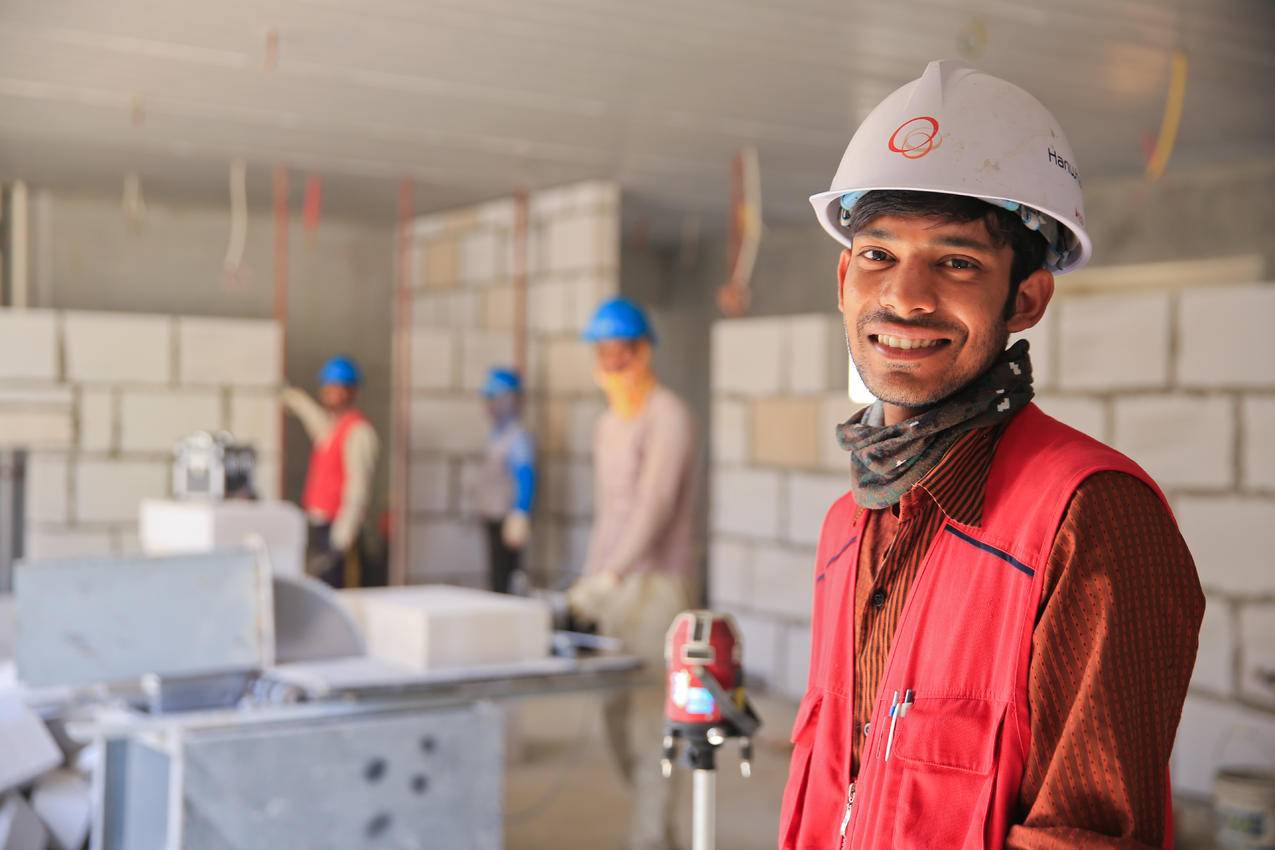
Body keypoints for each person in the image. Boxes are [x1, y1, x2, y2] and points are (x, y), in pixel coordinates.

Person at [780, 61, 1203, 850]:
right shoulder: (847, 524)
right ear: (843, 278)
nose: (903, 296)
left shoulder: (1092, 518)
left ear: (1026, 299)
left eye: (956, 261)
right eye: (877, 255)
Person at [567, 297, 698, 850]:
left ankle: (649, 840)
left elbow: (653, 507)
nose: (614, 362)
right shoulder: (607, 424)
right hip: (613, 588)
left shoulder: (669, 415)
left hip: (657, 587)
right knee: (614, 721)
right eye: (605, 353)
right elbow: (609, 512)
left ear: (643, 351)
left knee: (651, 725)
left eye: (623, 352)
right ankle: (660, 833)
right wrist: (592, 582)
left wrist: (613, 576)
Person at [282, 355, 380, 589]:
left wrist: (341, 539)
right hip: (320, 525)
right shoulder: (333, 428)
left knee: (342, 595)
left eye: (334, 387)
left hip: (340, 531)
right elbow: (313, 419)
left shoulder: (359, 432)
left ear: (350, 391)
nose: (327, 392)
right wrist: (291, 397)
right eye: (326, 386)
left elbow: (358, 488)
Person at [473, 367, 536, 593]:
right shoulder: (496, 435)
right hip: (492, 517)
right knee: (495, 577)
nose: (490, 405)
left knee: (506, 579)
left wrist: (520, 513)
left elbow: (525, 476)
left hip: (507, 521)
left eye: (495, 399)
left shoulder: (517, 438)